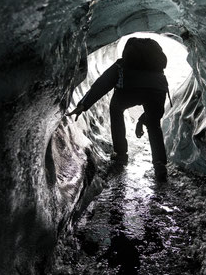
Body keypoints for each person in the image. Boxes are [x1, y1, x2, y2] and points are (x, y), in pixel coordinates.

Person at [68, 37, 170, 182]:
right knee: (154, 125)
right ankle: (160, 164)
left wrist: (84, 104)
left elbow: (102, 83)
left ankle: (121, 154)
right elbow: (155, 111)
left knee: (116, 109)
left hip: (128, 90)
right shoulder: (157, 71)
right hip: (157, 89)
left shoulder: (121, 65)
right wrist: (143, 120)